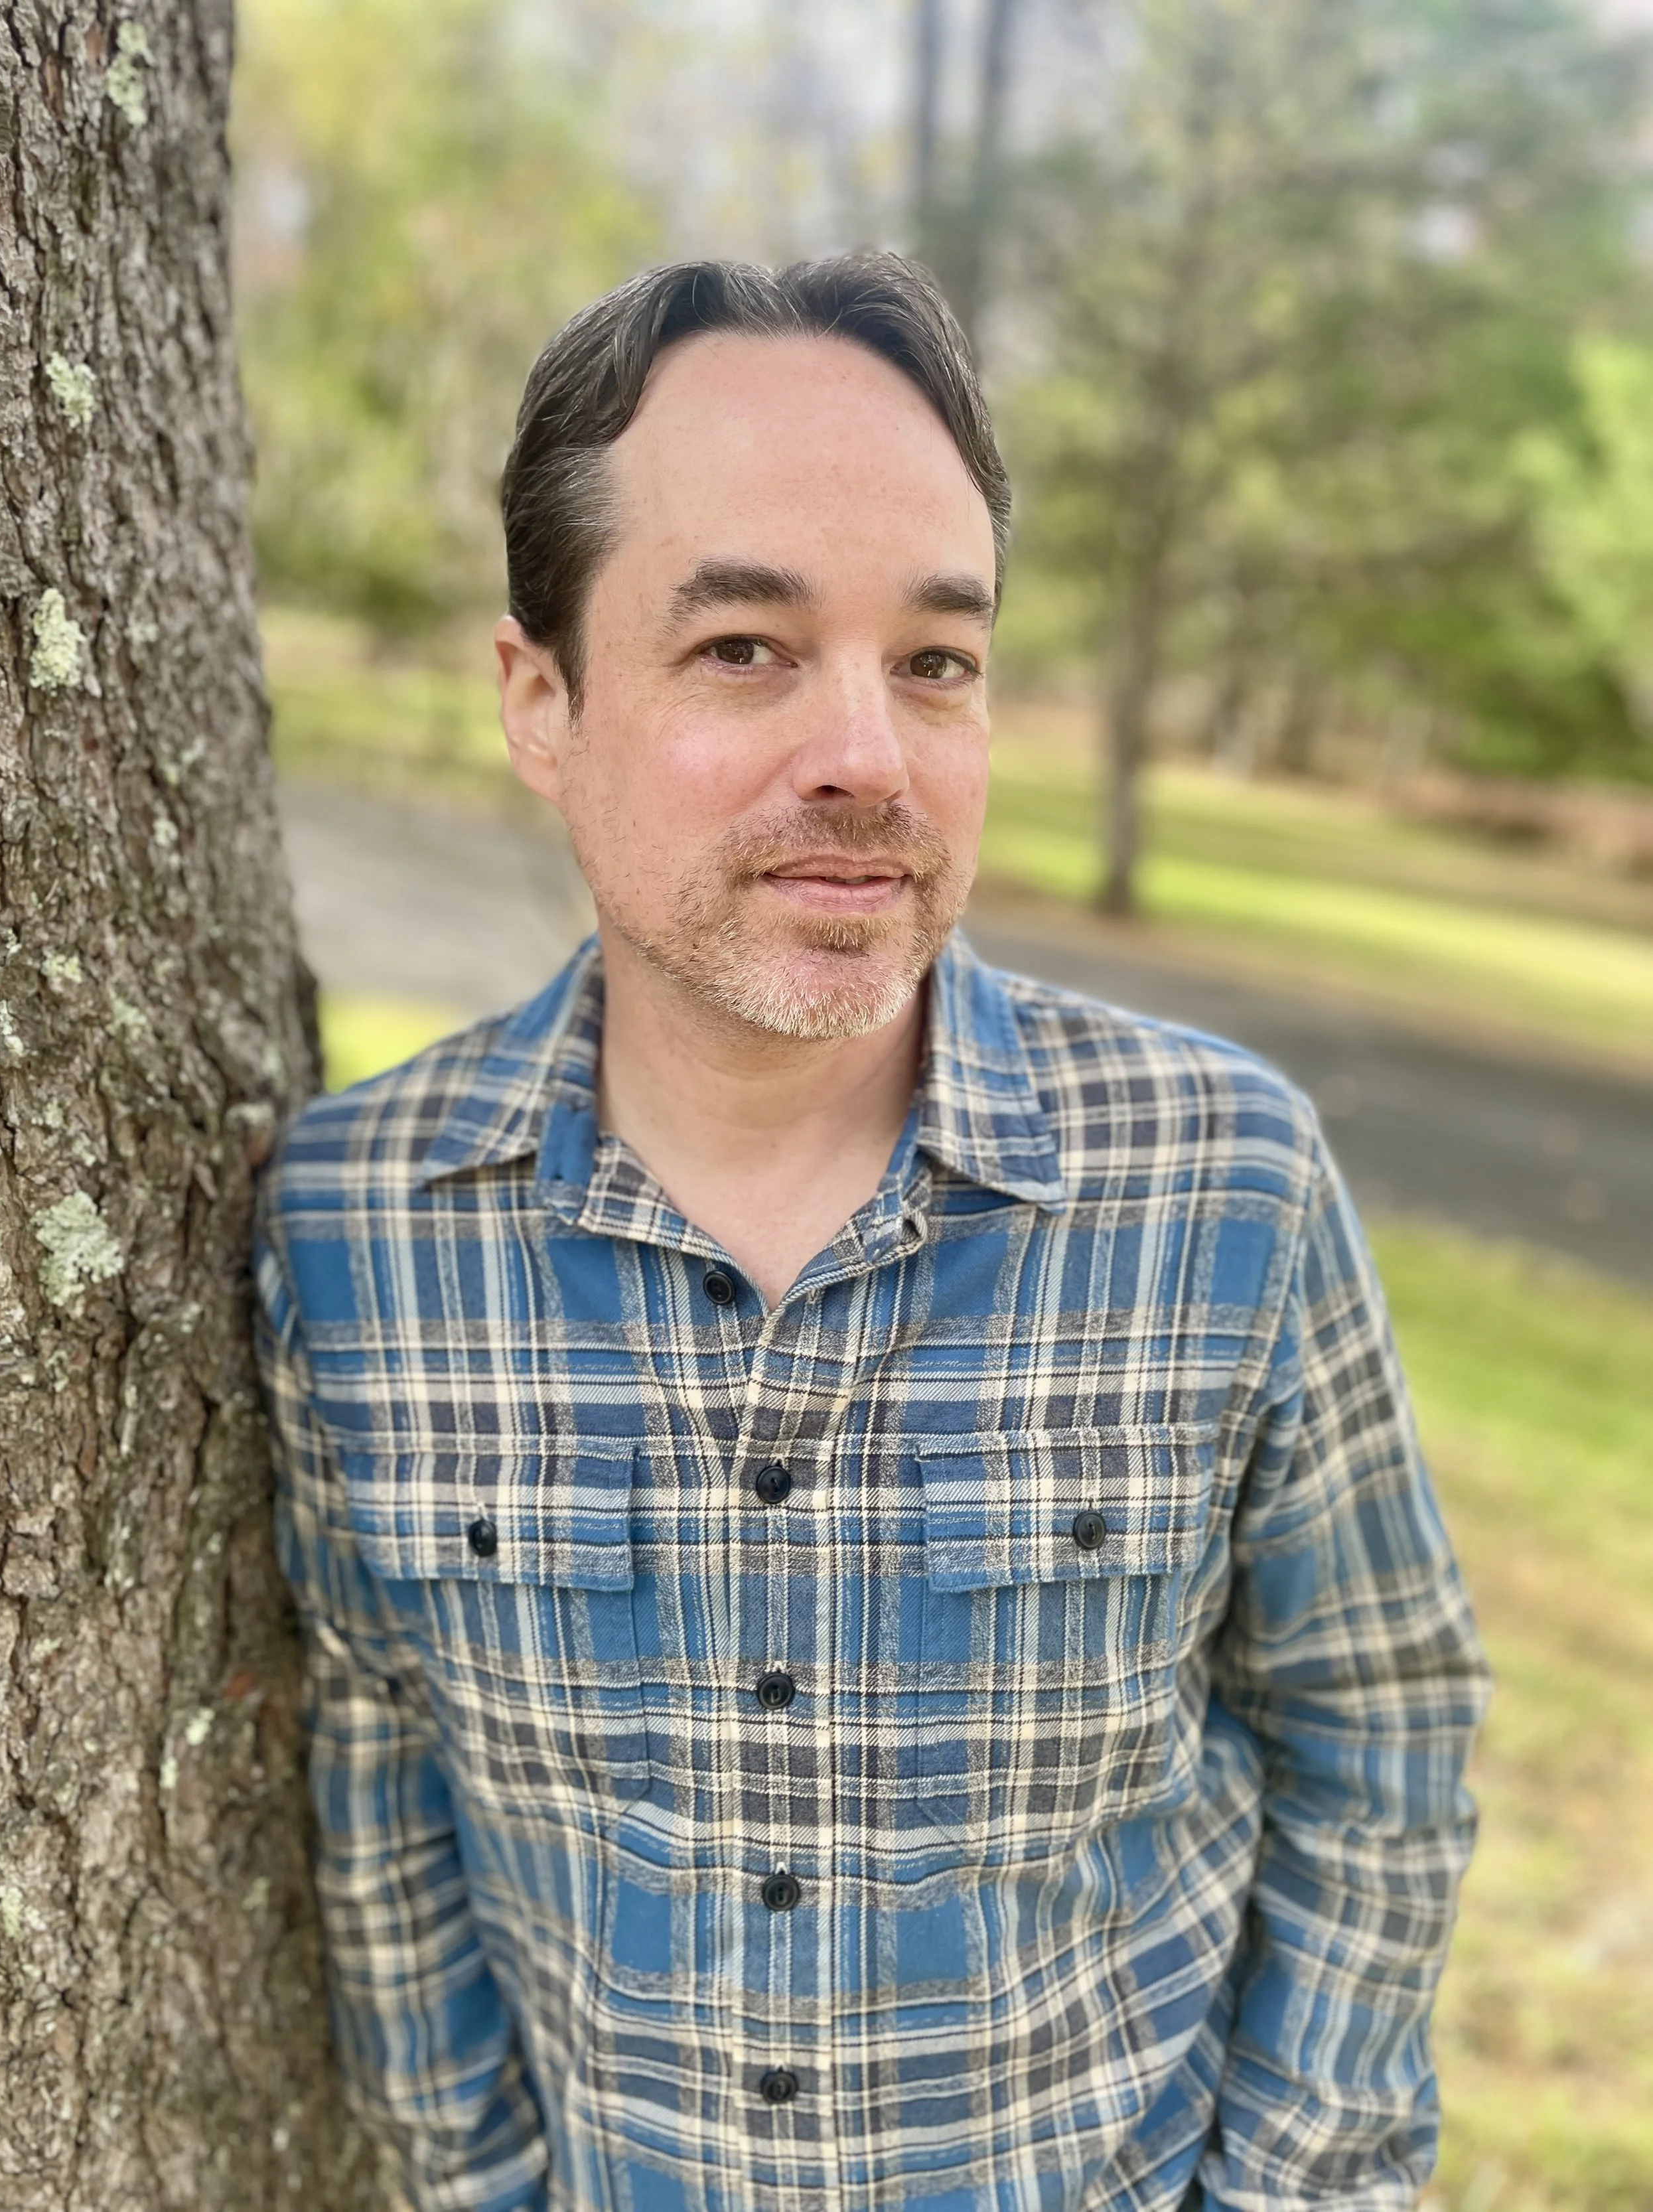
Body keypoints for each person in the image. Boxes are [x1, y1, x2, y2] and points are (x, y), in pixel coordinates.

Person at [255, 254, 1490, 2212]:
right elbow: (379, 1763)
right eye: (744, 645)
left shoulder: (1222, 1184)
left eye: (934, 660)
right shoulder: (351, 1230)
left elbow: (1374, 1714)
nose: (870, 756)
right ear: (541, 699)